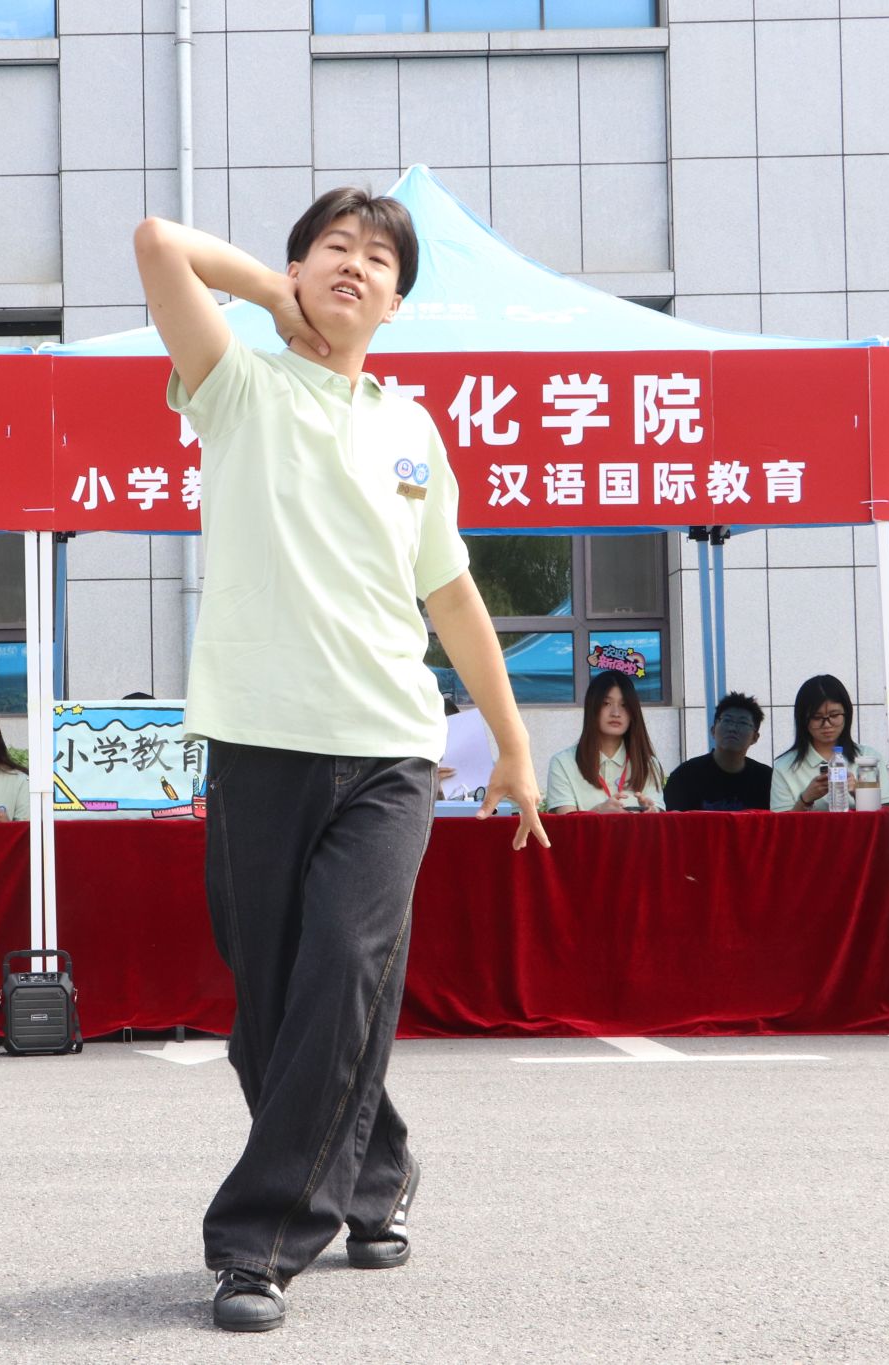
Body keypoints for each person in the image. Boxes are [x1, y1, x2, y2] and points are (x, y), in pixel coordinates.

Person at [137, 186, 548, 1333]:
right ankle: (378, 1170)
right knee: (270, 1012)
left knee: (343, 969)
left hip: (391, 750)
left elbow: (449, 593)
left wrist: (512, 744)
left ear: (396, 301)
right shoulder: (235, 385)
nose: (354, 266)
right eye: (333, 247)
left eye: (377, 259)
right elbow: (160, 246)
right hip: (260, 742)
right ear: (295, 267)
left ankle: (259, 1243)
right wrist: (271, 301)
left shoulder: (411, 430)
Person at [543, 670, 665, 814]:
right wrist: (599, 813)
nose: (615, 713)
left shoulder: (648, 764)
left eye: (624, 705)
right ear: (592, 707)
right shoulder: (563, 763)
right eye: (606, 703)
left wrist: (652, 814)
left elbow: (659, 818)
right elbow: (566, 824)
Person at [771, 674, 888, 812]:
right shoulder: (785, 767)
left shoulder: (869, 759)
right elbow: (780, 823)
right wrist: (805, 799)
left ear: (847, 714)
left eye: (834, 715)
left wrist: (860, 795)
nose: (827, 724)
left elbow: (888, 816)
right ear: (802, 719)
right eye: (816, 717)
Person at [664, 691, 772, 813]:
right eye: (727, 720)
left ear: (755, 737)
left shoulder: (767, 780)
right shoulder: (685, 776)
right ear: (713, 730)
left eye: (743, 723)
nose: (732, 728)